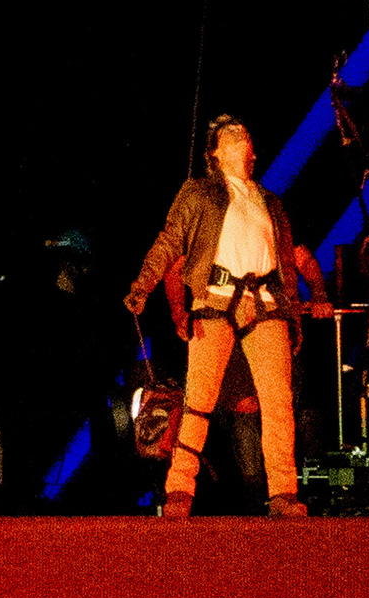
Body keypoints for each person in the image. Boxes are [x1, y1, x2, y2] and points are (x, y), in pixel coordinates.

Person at [127, 115, 324, 517]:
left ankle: (284, 493)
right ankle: (179, 490)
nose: (239, 133)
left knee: (278, 403)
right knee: (198, 401)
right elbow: (170, 242)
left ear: (251, 152)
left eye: (244, 133)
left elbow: (288, 261)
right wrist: (143, 285)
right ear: (215, 152)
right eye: (229, 133)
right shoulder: (199, 193)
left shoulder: (270, 202)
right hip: (215, 300)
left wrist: (295, 316)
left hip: (266, 302)